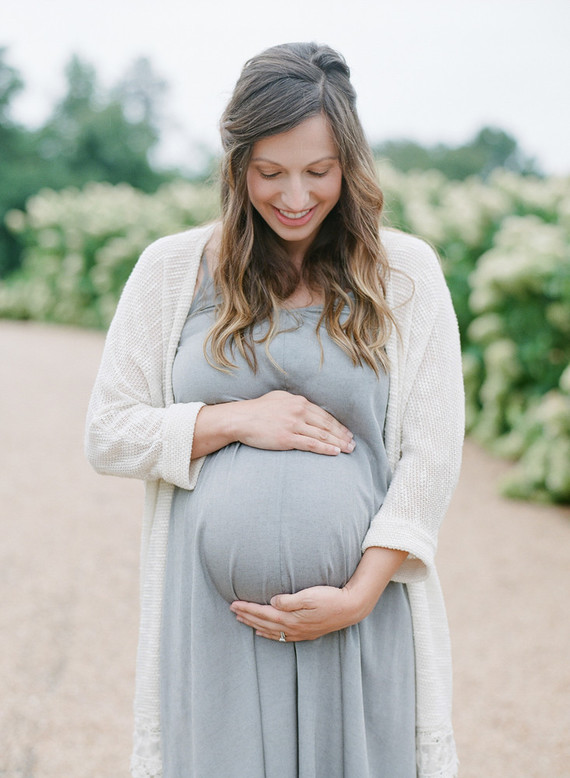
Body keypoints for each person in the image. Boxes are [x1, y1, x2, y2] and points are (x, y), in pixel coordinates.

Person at [85, 42, 464, 778]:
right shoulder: (172, 270)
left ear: (349, 165)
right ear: (237, 169)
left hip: (360, 624)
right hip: (211, 631)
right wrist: (232, 420)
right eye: (270, 172)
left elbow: (432, 452)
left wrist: (356, 597)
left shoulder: (405, 273)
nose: (295, 195)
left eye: (318, 172)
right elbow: (107, 431)